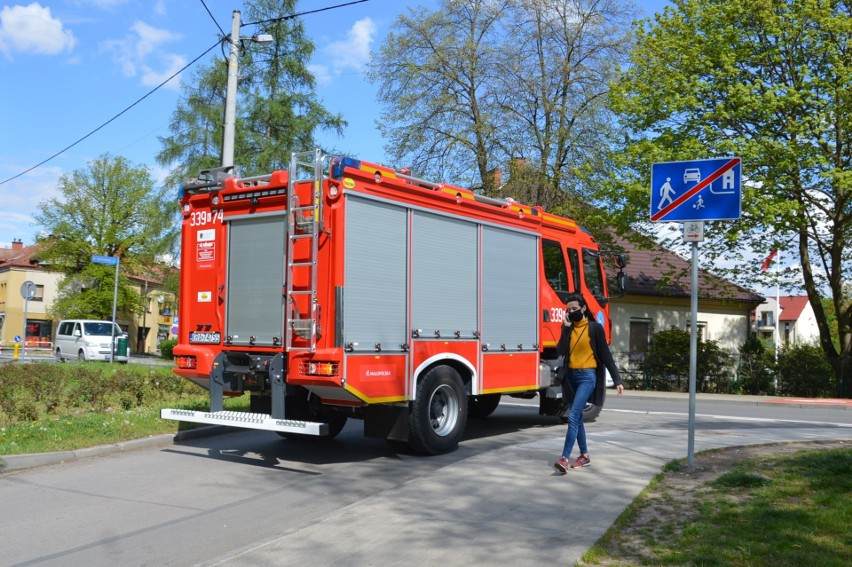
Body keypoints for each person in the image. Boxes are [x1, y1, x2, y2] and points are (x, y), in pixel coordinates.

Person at [553, 292, 624, 474]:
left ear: (583, 308)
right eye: (568, 310)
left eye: (575, 309)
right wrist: (566, 328)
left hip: (587, 376)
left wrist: (617, 379)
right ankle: (584, 455)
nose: (571, 312)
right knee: (577, 419)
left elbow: (606, 356)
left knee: (573, 415)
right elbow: (560, 351)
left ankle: (564, 457)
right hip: (570, 377)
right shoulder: (568, 328)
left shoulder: (594, 328)